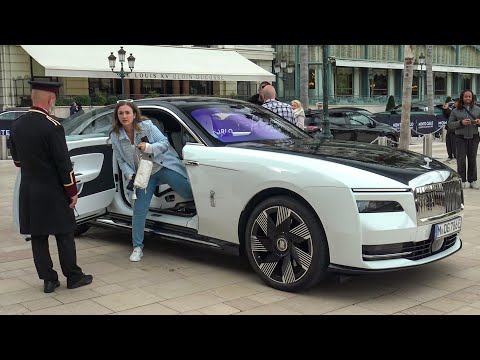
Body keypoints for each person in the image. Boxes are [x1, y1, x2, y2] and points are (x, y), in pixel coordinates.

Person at [9, 80, 93, 293]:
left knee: (38, 236)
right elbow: (64, 164)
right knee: (64, 234)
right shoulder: (53, 126)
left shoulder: (17, 124)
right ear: (51, 99)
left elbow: (17, 161)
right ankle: (73, 277)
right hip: (53, 190)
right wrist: (72, 192)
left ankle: (48, 280)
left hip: (29, 190)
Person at [110, 100, 194, 262]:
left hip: (163, 166)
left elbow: (164, 143)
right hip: (143, 173)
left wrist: (149, 148)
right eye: (121, 113)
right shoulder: (115, 135)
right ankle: (137, 247)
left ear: (134, 114)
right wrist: (129, 174)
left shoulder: (147, 126)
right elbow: (121, 160)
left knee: (188, 191)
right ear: (117, 116)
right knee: (139, 210)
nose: (124, 116)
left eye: (127, 113)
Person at [448, 89, 480, 189]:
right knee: (461, 160)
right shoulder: (455, 110)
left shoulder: (478, 109)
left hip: (474, 137)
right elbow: (450, 125)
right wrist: (461, 123)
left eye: (469, 96)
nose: (467, 98)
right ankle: (461, 180)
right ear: (462, 97)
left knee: (472, 159)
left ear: (472, 98)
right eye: (465, 96)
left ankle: (472, 180)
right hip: (460, 138)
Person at [442, 97, 458, 162]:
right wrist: (445, 109)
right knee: (448, 143)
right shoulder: (453, 109)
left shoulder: (460, 110)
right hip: (449, 128)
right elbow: (447, 116)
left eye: (456, 102)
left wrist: (447, 109)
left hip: (455, 130)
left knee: (454, 144)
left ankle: (455, 157)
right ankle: (450, 156)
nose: (454, 103)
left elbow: (452, 115)